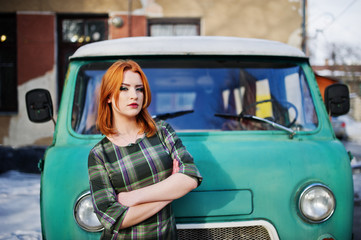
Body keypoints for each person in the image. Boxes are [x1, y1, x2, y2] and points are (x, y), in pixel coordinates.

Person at [88, 60, 202, 239]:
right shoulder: (100, 153)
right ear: (108, 96)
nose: (134, 95)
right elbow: (113, 218)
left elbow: (191, 177)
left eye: (139, 89)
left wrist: (134, 197)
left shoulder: (161, 131)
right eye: (124, 88)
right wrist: (171, 190)